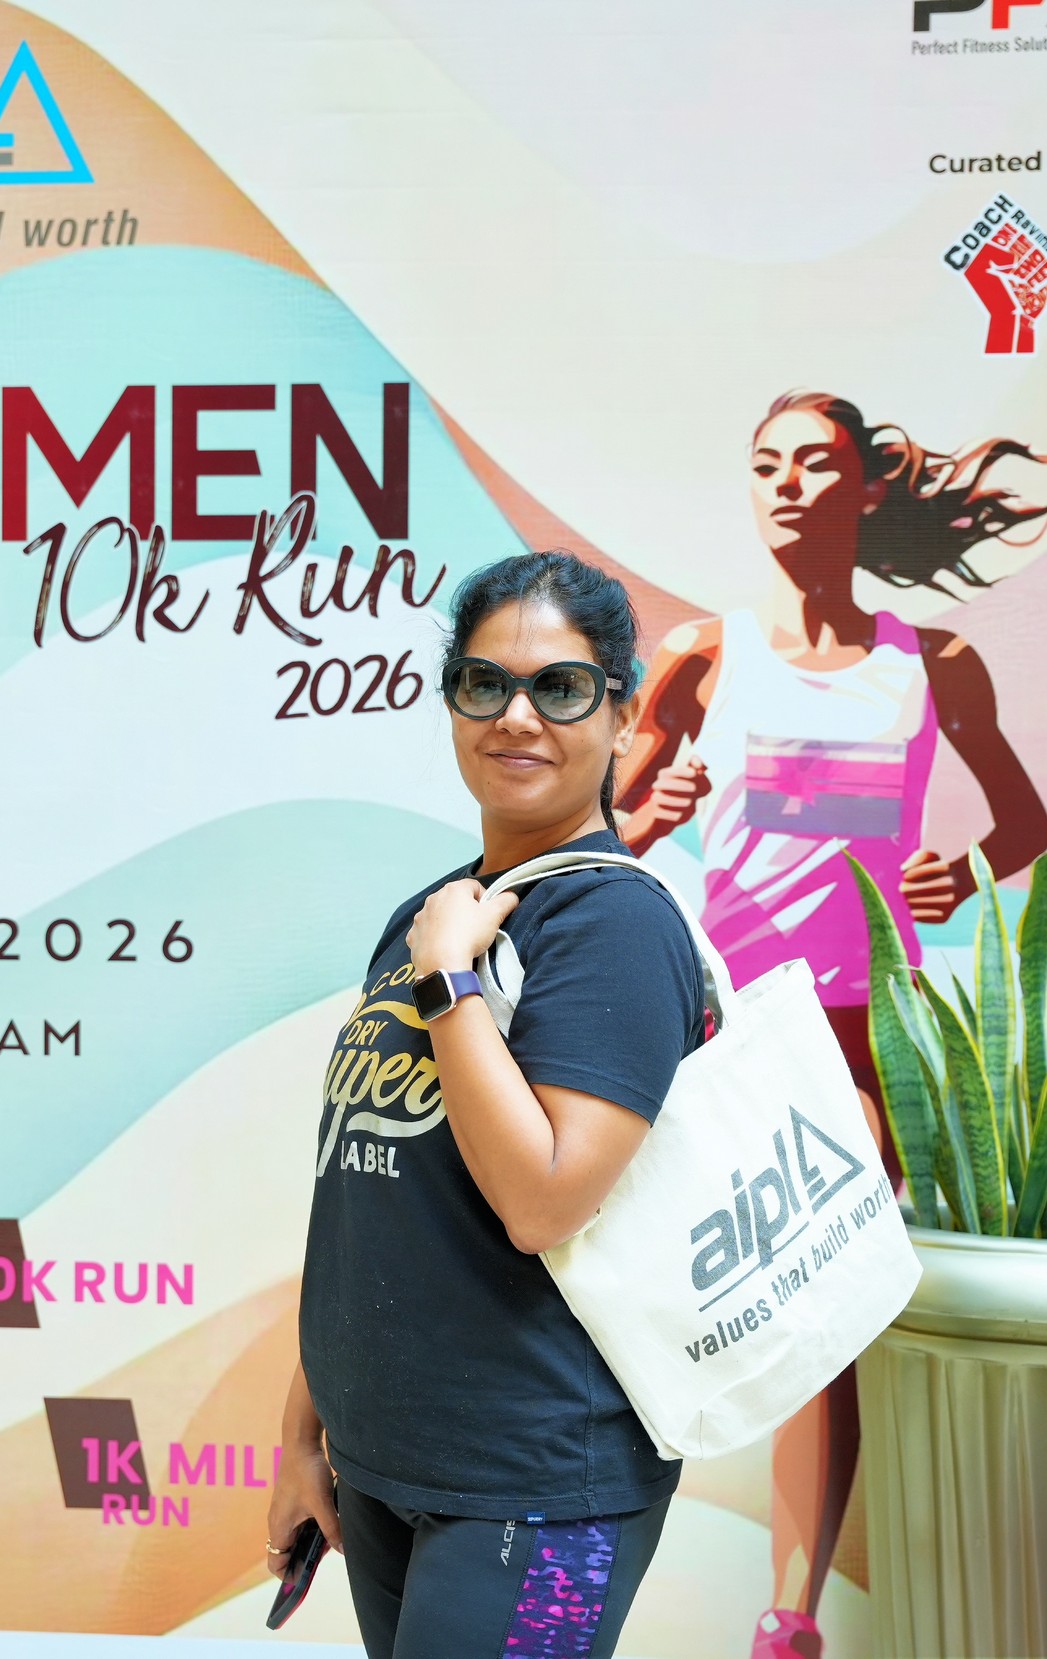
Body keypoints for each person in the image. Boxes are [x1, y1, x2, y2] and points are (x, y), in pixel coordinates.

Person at [611, 391, 1047, 1659]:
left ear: (864, 487)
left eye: (813, 463)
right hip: (722, 1031)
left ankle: (787, 1618)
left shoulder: (934, 664)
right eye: (765, 464)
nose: (785, 484)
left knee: (818, 1314)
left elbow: (1024, 825)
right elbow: (603, 835)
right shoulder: (703, 656)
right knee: (667, 1295)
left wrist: (961, 875)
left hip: (867, 1034)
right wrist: (652, 814)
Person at [270, 551, 706, 1658]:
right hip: (385, 1465)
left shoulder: (613, 926)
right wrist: (303, 1435)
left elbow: (542, 1200)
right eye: (484, 684)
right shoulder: (435, 914)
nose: (517, 716)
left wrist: (453, 980)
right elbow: (368, 1195)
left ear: (621, 713)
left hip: (540, 1486)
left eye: (560, 687)